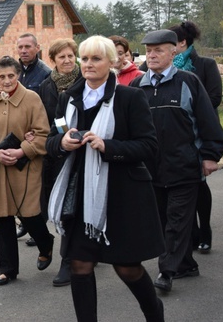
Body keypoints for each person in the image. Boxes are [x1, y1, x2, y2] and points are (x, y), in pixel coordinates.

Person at [46, 35, 164, 322]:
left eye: (96, 59)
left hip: (122, 195)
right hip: (81, 195)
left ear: (112, 62)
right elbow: (52, 140)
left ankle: (155, 314)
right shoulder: (68, 98)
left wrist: (108, 146)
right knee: (80, 266)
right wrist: (62, 144)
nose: (88, 64)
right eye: (84, 58)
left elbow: (149, 146)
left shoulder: (130, 97)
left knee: (127, 268)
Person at [130, 30, 223, 293]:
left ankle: (167, 270)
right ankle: (186, 264)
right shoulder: (137, 87)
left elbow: (208, 122)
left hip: (184, 167)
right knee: (163, 222)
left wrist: (210, 156)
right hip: (150, 169)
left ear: (174, 51)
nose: (151, 54)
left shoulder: (189, 82)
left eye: (158, 50)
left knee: (176, 220)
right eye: (149, 50)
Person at [0, 56, 54, 287]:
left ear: (18, 75)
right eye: (1, 77)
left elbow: (43, 134)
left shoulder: (31, 98)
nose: (6, 81)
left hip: (26, 168)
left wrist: (21, 151)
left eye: (11, 76)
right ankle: (7, 270)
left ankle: (46, 244)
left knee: (30, 214)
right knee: (2, 218)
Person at [167, 21, 222, 254]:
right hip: (176, 136)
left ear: (182, 42)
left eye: (171, 42)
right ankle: (191, 232)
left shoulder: (205, 65)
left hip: (199, 130)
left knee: (199, 184)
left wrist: (190, 111)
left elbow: (215, 97)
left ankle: (205, 229)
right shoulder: (166, 68)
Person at [38, 38, 83, 287]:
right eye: (61, 57)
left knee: (73, 208)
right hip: (56, 153)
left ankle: (70, 261)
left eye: (70, 56)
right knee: (62, 209)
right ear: (52, 60)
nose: (67, 61)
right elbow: (45, 119)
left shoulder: (84, 81)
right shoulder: (46, 86)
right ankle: (74, 256)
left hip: (82, 151)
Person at [16, 33, 52, 243]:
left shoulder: (45, 74)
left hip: (36, 138)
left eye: (28, 46)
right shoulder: (14, 71)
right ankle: (24, 223)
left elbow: (46, 108)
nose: (24, 50)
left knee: (38, 186)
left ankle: (39, 229)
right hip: (16, 136)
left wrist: (38, 134)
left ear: (37, 47)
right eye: (20, 47)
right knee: (20, 183)